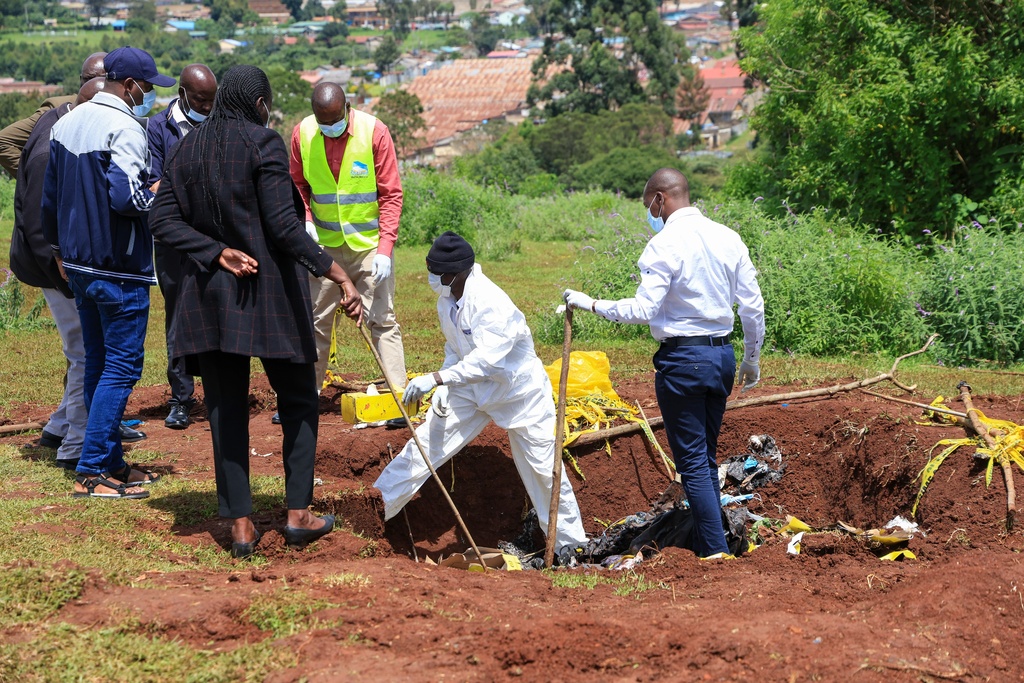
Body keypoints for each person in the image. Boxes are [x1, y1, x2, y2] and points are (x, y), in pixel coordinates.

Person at [150, 65, 363, 558]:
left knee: (226, 411)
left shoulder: (185, 147)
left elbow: (160, 218)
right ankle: (298, 515)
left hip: (211, 304)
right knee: (298, 402)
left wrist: (212, 251)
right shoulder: (263, 145)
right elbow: (285, 229)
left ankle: (241, 527)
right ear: (261, 105)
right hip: (268, 299)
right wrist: (338, 273)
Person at [564, 168, 765, 559]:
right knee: (703, 456)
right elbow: (753, 305)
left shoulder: (663, 245)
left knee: (692, 462)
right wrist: (751, 358)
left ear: (660, 199)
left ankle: (714, 551)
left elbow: (644, 309)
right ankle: (714, 539)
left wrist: (589, 303)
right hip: (721, 356)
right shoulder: (729, 238)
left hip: (683, 361)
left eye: (647, 206)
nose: (649, 214)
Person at [374, 231, 588, 553]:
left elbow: (486, 362)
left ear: (456, 273)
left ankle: (571, 549)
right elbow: (455, 347)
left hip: (519, 395)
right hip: (469, 392)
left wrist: (437, 378)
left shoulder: (490, 303)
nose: (432, 279)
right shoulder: (446, 299)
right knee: (421, 450)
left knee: (544, 472)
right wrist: (445, 385)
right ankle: (372, 512)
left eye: (437, 274)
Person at [41, 46, 174, 500]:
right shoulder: (126, 128)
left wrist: (58, 249)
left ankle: (111, 460)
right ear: (130, 85)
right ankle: (93, 469)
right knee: (121, 367)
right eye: (147, 87)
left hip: (77, 263)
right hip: (118, 268)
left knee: (98, 362)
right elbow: (125, 199)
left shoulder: (67, 122)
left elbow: (50, 199)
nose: (148, 96)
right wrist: (161, 196)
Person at [286, 81, 406, 424]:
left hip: (369, 246)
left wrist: (385, 248)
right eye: (323, 121)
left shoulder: (374, 132)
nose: (330, 128)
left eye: (335, 120)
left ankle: (399, 399)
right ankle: (306, 397)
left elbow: (391, 194)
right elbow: (297, 185)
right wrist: (305, 220)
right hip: (323, 247)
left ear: (347, 108)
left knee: (382, 320)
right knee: (316, 322)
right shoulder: (303, 134)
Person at [9, 77, 107, 470]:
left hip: (55, 263)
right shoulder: (53, 147)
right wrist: (63, 268)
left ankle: (58, 427)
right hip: (53, 269)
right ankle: (76, 447)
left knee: (79, 350)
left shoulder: (60, 121)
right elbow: (37, 223)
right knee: (85, 352)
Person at [147, 63, 218, 430]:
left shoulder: (218, 123)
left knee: (216, 309)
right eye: (201, 100)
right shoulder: (159, 128)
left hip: (214, 239)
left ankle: (219, 392)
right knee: (178, 315)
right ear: (183, 95)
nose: (207, 107)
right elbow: (155, 184)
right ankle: (181, 397)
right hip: (174, 242)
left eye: (212, 100)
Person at [0, 52, 107, 177]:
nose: (94, 85)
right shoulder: (59, 108)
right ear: (80, 81)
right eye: (89, 79)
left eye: (103, 79)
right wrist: (36, 179)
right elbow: (3, 140)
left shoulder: (124, 110)